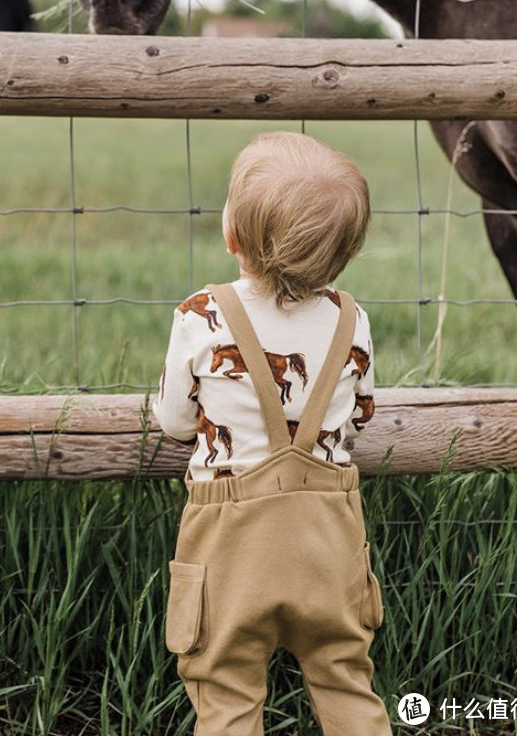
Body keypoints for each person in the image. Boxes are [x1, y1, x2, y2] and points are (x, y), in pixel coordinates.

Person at [153, 131, 392, 736]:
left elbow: (176, 420)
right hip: (328, 541)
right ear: (342, 255)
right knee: (345, 678)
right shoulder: (351, 320)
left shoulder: (201, 315)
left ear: (233, 236)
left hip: (228, 541)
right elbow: (361, 413)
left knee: (226, 689)